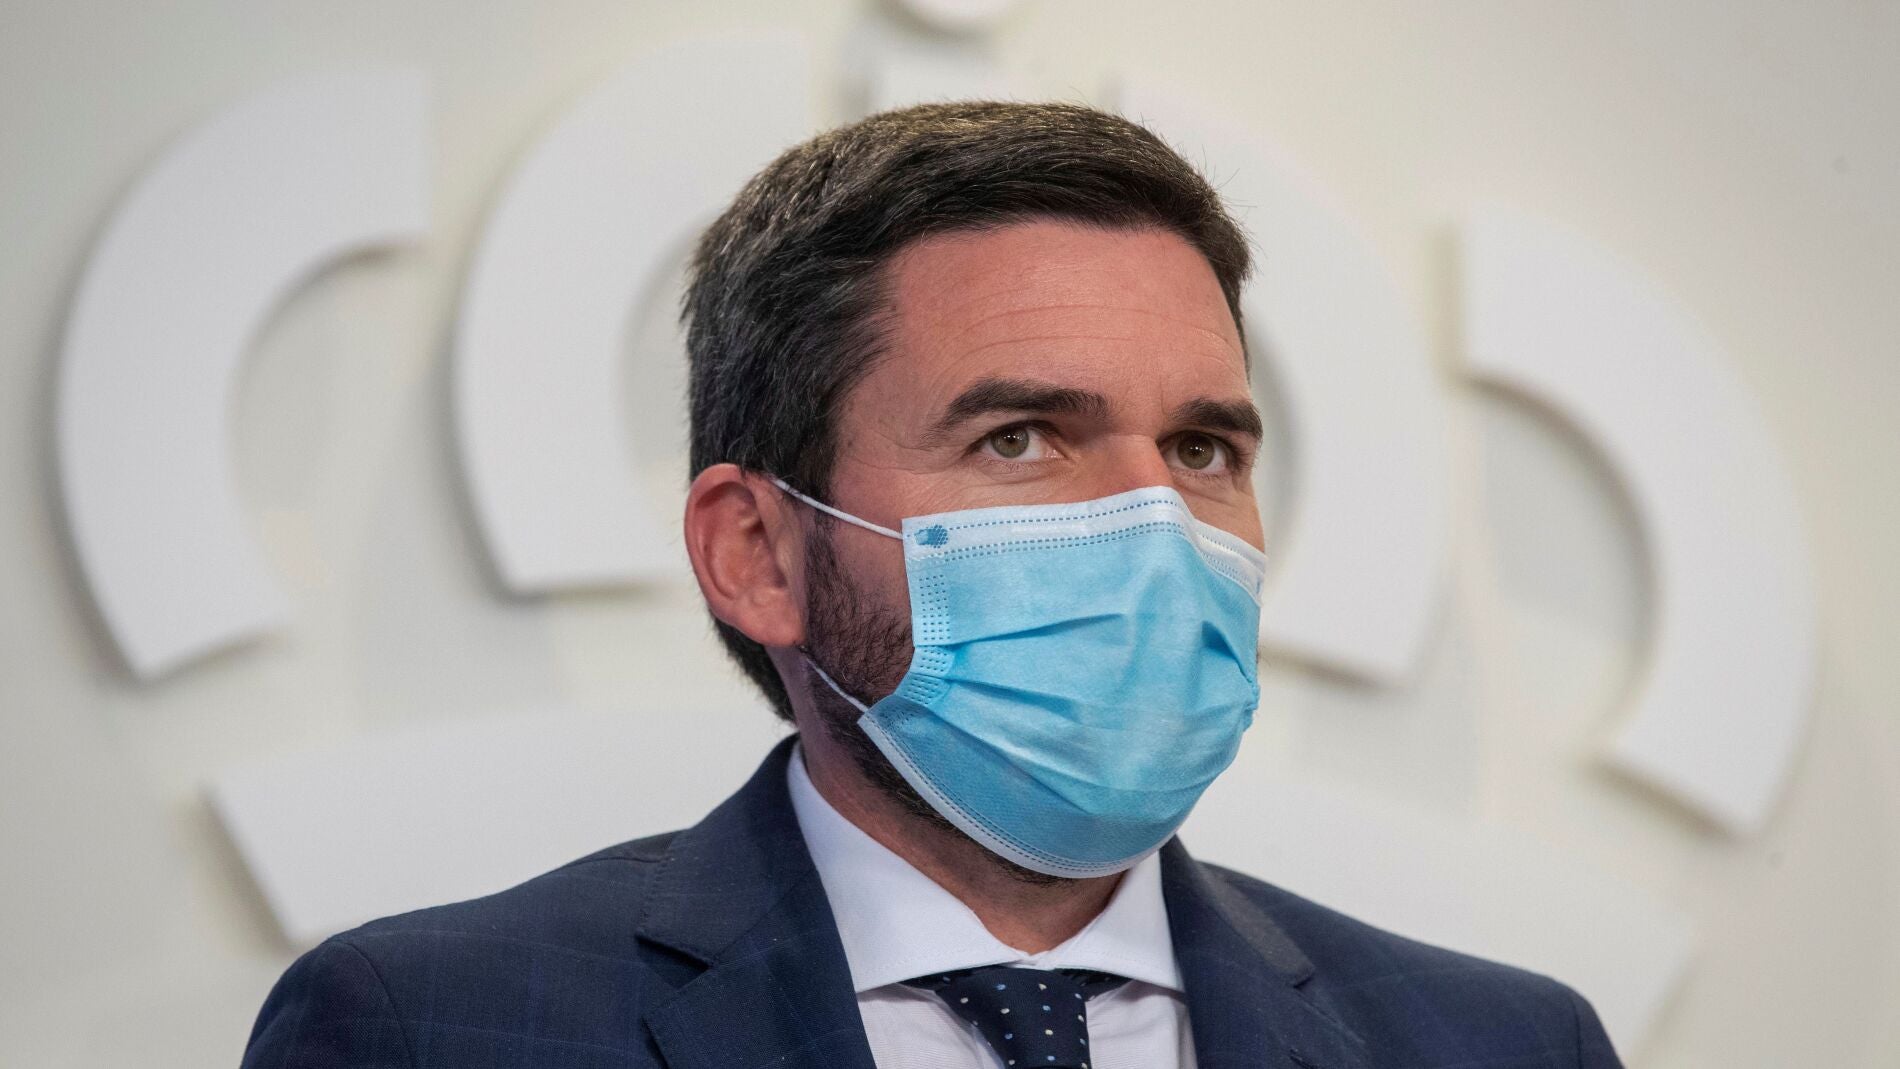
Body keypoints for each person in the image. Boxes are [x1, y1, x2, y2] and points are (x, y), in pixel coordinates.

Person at [241, 101, 1621, 1069]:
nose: (1151, 525)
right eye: (1020, 438)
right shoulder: (433, 1028)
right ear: (756, 552)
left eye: (1202, 449)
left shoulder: (1505, 1045)